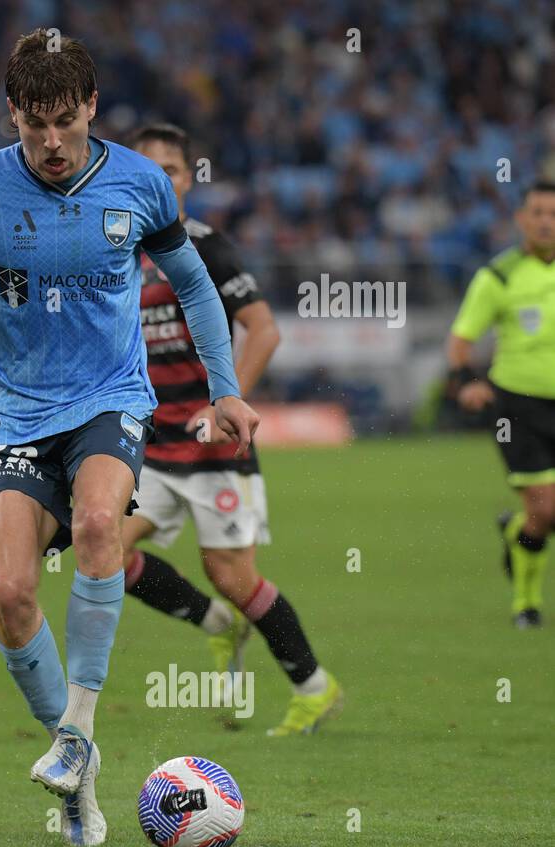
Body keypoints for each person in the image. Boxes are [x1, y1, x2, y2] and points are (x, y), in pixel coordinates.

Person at [0, 32, 258, 847]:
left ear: (91, 108)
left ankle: (76, 729)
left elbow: (196, 287)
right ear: (13, 116)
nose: (53, 142)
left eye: (66, 121)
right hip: (15, 413)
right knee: (8, 595)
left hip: (109, 397)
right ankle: (78, 756)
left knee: (102, 525)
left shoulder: (141, 185)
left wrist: (227, 388)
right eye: (35, 125)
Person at [117, 123, 343, 735]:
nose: (160, 179)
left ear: (188, 178)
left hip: (217, 449)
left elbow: (265, 329)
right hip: (154, 446)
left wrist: (227, 403)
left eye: (171, 168)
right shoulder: (119, 251)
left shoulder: (203, 246)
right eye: (148, 169)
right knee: (104, 550)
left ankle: (314, 687)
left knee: (234, 576)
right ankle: (216, 623)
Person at [447, 180, 555, 628]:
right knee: (547, 509)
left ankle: (516, 533)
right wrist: (467, 382)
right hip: (520, 407)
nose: (547, 221)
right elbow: (460, 342)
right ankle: (525, 604)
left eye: (553, 213)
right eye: (538, 213)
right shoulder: (499, 275)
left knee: (542, 515)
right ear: (521, 219)